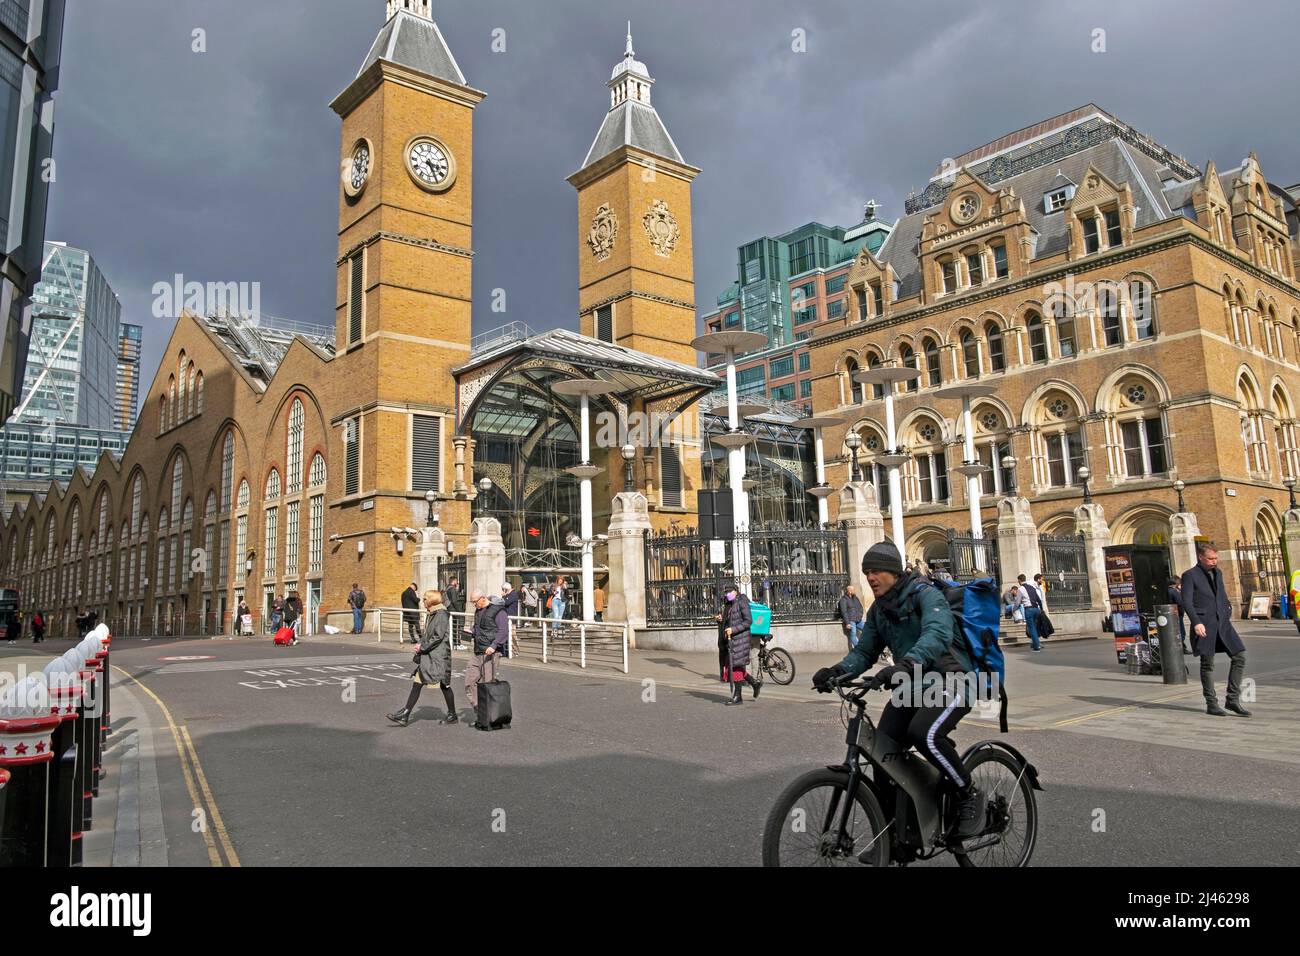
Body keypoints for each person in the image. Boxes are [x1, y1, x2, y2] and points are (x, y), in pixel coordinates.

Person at [812, 541, 985, 839]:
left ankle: (968, 793)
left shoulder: (927, 596)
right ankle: (897, 836)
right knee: (884, 753)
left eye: (876, 570)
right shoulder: (879, 609)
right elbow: (865, 652)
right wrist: (837, 672)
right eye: (867, 572)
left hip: (952, 680)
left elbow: (937, 634)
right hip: (912, 684)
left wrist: (906, 664)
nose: (870, 577)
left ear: (893, 572)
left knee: (925, 734)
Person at [1179, 543, 1249, 717]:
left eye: (1216, 558)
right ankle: (1212, 703)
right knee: (1207, 664)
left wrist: (1227, 609)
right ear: (1201, 557)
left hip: (1223, 624)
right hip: (1204, 624)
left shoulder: (1218, 573)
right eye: (1210, 558)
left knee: (1239, 656)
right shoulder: (1190, 575)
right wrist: (1196, 622)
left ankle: (1232, 700)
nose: (1214, 561)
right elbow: (1186, 601)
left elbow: (1221, 595)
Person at [387, 589, 458, 726]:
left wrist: (422, 647)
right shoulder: (433, 614)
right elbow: (430, 635)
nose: (423, 601)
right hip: (430, 655)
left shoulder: (441, 614)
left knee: (444, 684)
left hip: (439, 656)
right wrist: (422, 644)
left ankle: (452, 714)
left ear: (431, 600)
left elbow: (438, 636)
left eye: (425, 599)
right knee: (417, 683)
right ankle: (405, 714)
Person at [465, 591, 509, 727]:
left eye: (475, 601)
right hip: (477, 651)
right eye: (472, 602)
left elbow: (503, 631)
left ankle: (488, 718)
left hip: (490, 652)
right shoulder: (478, 611)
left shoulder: (498, 611)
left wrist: (494, 645)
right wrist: (471, 631)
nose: (473, 604)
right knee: (469, 681)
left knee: (487, 684)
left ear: (483, 598)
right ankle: (480, 711)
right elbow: (479, 628)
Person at [717, 582, 760, 705]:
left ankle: (738, 697)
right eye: (726, 593)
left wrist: (733, 629)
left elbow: (748, 621)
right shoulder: (729, 604)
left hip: (740, 639)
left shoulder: (742, 602)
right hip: (731, 640)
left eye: (730, 592)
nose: (727, 594)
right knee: (735, 666)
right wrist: (721, 619)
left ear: (736, 591)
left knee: (734, 667)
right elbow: (729, 620)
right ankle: (754, 683)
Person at [1017, 573, 1045, 651]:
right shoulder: (1032, 587)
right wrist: (1041, 609)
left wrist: (1014, 609)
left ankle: (1037, 646)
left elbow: (1017, 602)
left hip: (1029, 610)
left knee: (1031, 628)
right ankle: (1034, 643)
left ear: (1019, 581)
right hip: (1036, 609)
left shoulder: (1020, 589)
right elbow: (1038, 599)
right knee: (1035, 627)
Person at [837, 584, 865, 650]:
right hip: (851, 620)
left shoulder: (855, 598)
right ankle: (859, 649)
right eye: (853, 590)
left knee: (867, 630)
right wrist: (847, 623)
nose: (855, 591)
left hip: (858, 619)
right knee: (853, 634)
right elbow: (844, 612)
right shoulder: (843, 600)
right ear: (849, 591)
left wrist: (860, 615)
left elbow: (860, 607)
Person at [1167, 578, 1191, 653]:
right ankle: (1182, 648)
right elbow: (1180, 602)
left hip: (1169, 613)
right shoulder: (1174, 591)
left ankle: (1181, 647)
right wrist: (1181, 612)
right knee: (1181, 631)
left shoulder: (1167, 591)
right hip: (1176, 613)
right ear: (1175, 584)